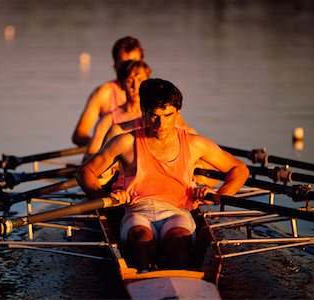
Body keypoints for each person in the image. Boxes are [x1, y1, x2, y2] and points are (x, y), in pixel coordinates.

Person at [77, 78, 249, 272]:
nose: (161, 124)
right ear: (144, 112)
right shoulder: (125, 143)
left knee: (178, 241)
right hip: (137, 212)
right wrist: (104, 198)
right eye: (154, 115)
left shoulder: (195, 144)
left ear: (178, 113)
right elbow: (85, 172)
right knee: (142, 239)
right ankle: (144, 276)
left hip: (177, 212)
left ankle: (179, 280)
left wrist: (220, 194)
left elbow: (240, 169)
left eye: (168, 115)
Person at [72, 36, 144, 146]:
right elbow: (79, 135)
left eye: (134, 63)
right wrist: (104, 147)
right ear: (115, 66)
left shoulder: (154, 92)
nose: (129, 69)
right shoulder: (104, 93)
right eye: (124, 64)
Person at [82, 59, 151, 162]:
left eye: (140, 80)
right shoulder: (108, 120)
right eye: (129, 81)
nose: (135, 86)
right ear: (122, 85)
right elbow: (90, 157)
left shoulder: (161, 115)